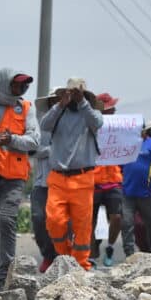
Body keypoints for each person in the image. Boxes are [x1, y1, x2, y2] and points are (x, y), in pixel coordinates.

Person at [0, 69, 40, 290]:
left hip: (14, 178)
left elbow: (34, 141)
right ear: (4, 84)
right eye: (16, 85)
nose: (21, 89)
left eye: (24, 86)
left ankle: (6, 271)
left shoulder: (25, 108)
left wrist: (12, 139)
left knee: (6, 220)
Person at [41, 78, 103, 270]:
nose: (74, 97)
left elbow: (98, 123)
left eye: (78, 93)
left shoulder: (91, 113)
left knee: (82, 225)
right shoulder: (58, 112)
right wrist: (61, 104)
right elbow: (44, 124)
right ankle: (65, 257)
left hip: (83, 178)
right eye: (71, 93)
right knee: (54, 221)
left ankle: (82, 265)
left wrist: (82, 102)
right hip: (58, 177)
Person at [121, 122, 151, 255]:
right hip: (127, 192)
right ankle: (128, 252)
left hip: (146, 192)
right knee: (127, 223)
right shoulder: (126, 143)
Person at [31, 87, 61, 273]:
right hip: (42, 182)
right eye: (53, 101)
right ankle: (47, 254)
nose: (56, 104)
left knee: (60, 221)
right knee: (38, 218)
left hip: (63, 182)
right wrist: (53, 150)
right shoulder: (39, 124)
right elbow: (33, 149)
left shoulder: (71, 124)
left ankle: (60, 255)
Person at [90, 93, 122, 268]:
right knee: (91, 221)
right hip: (93, 180)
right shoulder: (90, 126)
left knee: (116, 217)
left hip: (114, 179)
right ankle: (93, 254)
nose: (114, 111)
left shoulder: (120, 128)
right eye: (110, 108)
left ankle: (110, 246)